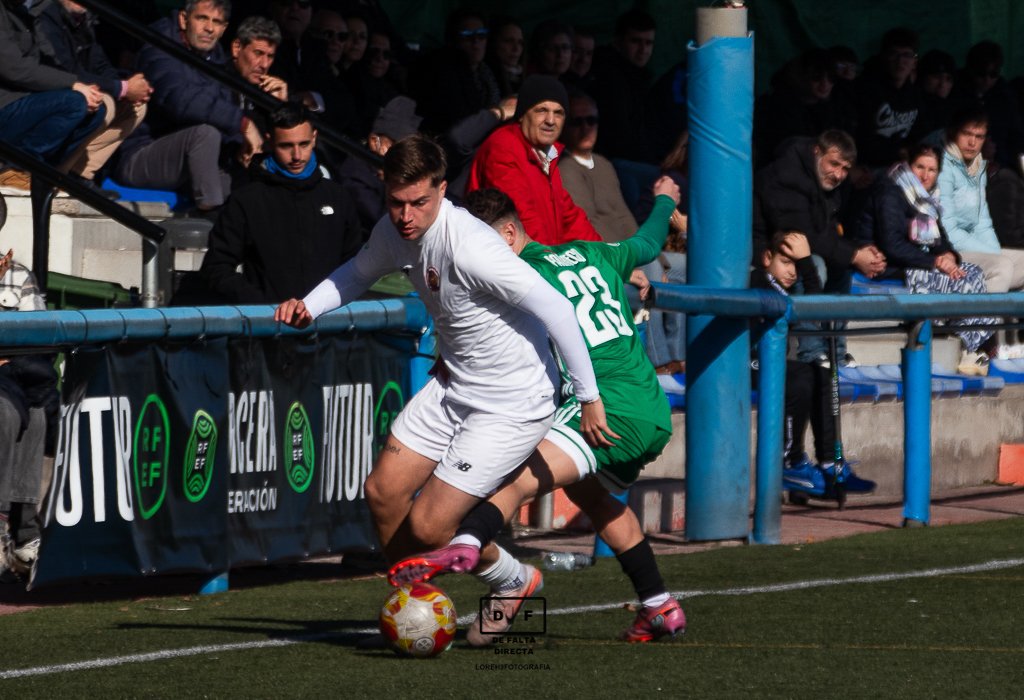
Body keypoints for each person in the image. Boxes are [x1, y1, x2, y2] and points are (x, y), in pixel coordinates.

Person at [274, 134, 608, 571]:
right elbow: (356, 273)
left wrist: (588, 397)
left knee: (430, 527)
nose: (406, 216)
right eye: (396, 202)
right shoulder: (392, 231)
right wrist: (309, 306)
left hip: (511, 403)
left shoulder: (472, 248)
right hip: (453, 385)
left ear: (442, 190)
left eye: (419, 202)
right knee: (382, 493)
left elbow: (558, 310)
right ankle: (414, 602)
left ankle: (513, 578)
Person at [388, 182, 687, 645]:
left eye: (480, 241)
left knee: (517, 478)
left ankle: (470, 550)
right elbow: (648, 243)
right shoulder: (595, 252)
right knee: (592, 496)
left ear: (507, 235)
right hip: (650, 404)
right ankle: (657, 605)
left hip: (606, 407)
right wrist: (665, 198)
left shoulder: (514, 277)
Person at [558, 91, 686, 380]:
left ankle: (681, 357)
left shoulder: (603, 164)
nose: (586, 127)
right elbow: (588, 227)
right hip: (601, 262)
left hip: (631, 250)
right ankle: (659, 362)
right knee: (652, 270)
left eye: (592, 120)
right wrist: (635, 261)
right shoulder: (565, 167)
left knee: (686, 268)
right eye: (577, 121)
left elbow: (624, 219)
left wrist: (662, 260)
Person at [751, 232, 876, 499]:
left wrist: (805, 263)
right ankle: (790, 461)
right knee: (799, 378)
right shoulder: (759, 281)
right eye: (786, 262)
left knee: (820, 372)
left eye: (796, 265)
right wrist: (808, 262)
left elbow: (813, 309)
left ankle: (830, 461)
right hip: (745, 364)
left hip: (768, 363)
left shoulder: (782, 287)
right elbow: (811, 309)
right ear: (766, 258)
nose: (792, 272)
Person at [199, 105, 362, 303]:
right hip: (268, 326)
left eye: (304, 144)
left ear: (315, 138)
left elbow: (355, 266)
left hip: (330, 326)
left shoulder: (338, 197)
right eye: (286, 146)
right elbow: (216, 267)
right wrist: (263, 305)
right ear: (269, 142)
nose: (297, 156)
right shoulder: (247, 200)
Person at [753, 129, 887, 366]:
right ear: (817, 152)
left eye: (845, 169)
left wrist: (860, 253)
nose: (838, 174)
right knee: (814, 263)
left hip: (799, 244)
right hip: (767, 251)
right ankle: (812, 351)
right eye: (833, 164)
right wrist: (855, 255)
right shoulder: (787, 174)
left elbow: (825, 233)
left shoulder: (827, 184)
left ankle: (836, 349)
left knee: (841, 267)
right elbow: (799, 233)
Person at [860, 143, 997, 375]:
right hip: (892, 265)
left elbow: (940, 240)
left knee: (972, 272)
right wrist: (935, 262)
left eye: (932, 170)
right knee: (960, 281)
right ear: (908, 165)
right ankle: (972, 347)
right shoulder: (890, 191)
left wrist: (948, 256)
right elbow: (892, 245)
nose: (925, 175)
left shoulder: (926, 199)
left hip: (920, 262)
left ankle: (973, 348)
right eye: (919, 167)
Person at [114, 0, 257, 213]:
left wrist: (240, 146)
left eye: (216, 22)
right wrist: (242, 123)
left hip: (189, 160)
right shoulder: (159, 46)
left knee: (239, 177)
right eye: (202, 18)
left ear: (224, 28)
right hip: (139, 154)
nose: (209, 28)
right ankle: (210, 215)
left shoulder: (216, 59)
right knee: (205, 134)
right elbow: (180, 100)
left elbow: (219, 109)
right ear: (183, 19)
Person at [466, 74, 600, 245]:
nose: (551, 120)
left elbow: (570, 218)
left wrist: (609, 260)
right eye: (542, 110)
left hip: (540, 259)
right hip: (513, 262)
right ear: (522, 115)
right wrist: (551, 263)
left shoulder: (547, 155)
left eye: (558, 113)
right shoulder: (504, 147)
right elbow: (523, 221)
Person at [35, 0, 153, 191]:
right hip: (47, 94)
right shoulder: (46, 15)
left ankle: (78, 173)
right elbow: (66, 70)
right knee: (102, 102)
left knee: (136, 106)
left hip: (76, 90)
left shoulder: (84, 20)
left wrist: (129, 89)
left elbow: (100, 64)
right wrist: (121, 88)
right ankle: (54, 176)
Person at [0, 0, 107, 192]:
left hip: (23, 100)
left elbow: (50, 61)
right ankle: (15, 169)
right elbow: (13, 68)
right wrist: (72, 84)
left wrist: (83, 88)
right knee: (74, 104)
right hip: (5, 104)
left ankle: (44, 172)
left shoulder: (30, 12)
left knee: (95, 109)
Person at [0, 248, 58, 582]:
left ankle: (23, 535)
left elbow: (38, 337)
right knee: (5, 414)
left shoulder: (18, 276)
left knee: (35, 413)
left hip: (9, 376)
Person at [938, 108, 1024, 295]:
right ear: (953, 133)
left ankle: (1008, 322)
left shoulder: (976, 166)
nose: (972, 142)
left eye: (979, 136)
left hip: (974, 248)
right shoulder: (942, 167)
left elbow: (983, 222)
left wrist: (992, 249)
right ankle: (981, 323)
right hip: (948, 252)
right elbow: (948, 230)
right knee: (1001, 266)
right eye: (967, 134)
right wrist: (990, 253)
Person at [588, 8, 657, 162]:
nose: (643, 50)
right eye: (635, 41)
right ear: (618, 41)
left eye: (648, 43)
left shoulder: (639, 78)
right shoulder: (607, 76)